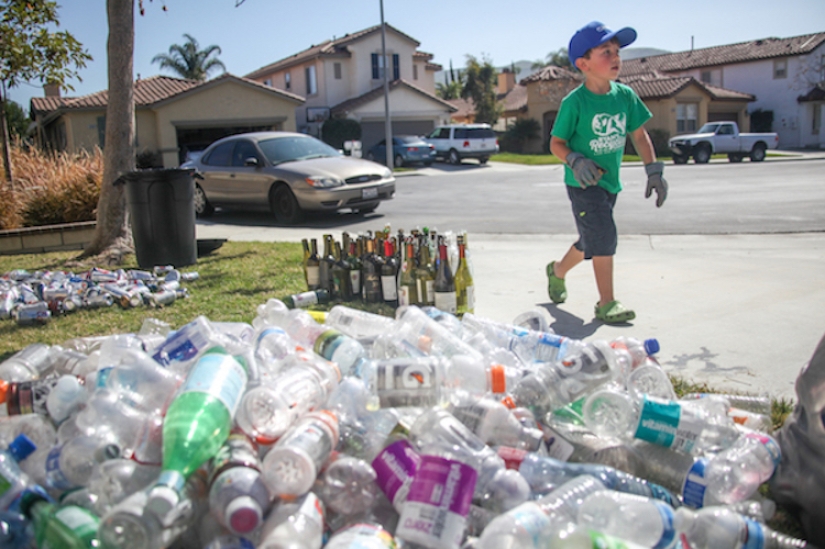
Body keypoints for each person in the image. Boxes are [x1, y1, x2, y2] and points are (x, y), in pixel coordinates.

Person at [546, 20, 668, 324]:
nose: (615, 57)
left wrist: (653, 170)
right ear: (583, 64)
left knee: (591, 241)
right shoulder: (574, 102)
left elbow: (639, 136)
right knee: (603, 235)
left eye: (617, 51)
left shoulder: (625, 96)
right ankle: (606, 303)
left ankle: (558, 270)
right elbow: (556, 143)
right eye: (606, 51)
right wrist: (574, 159)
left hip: (610, 182)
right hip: (582, 182)